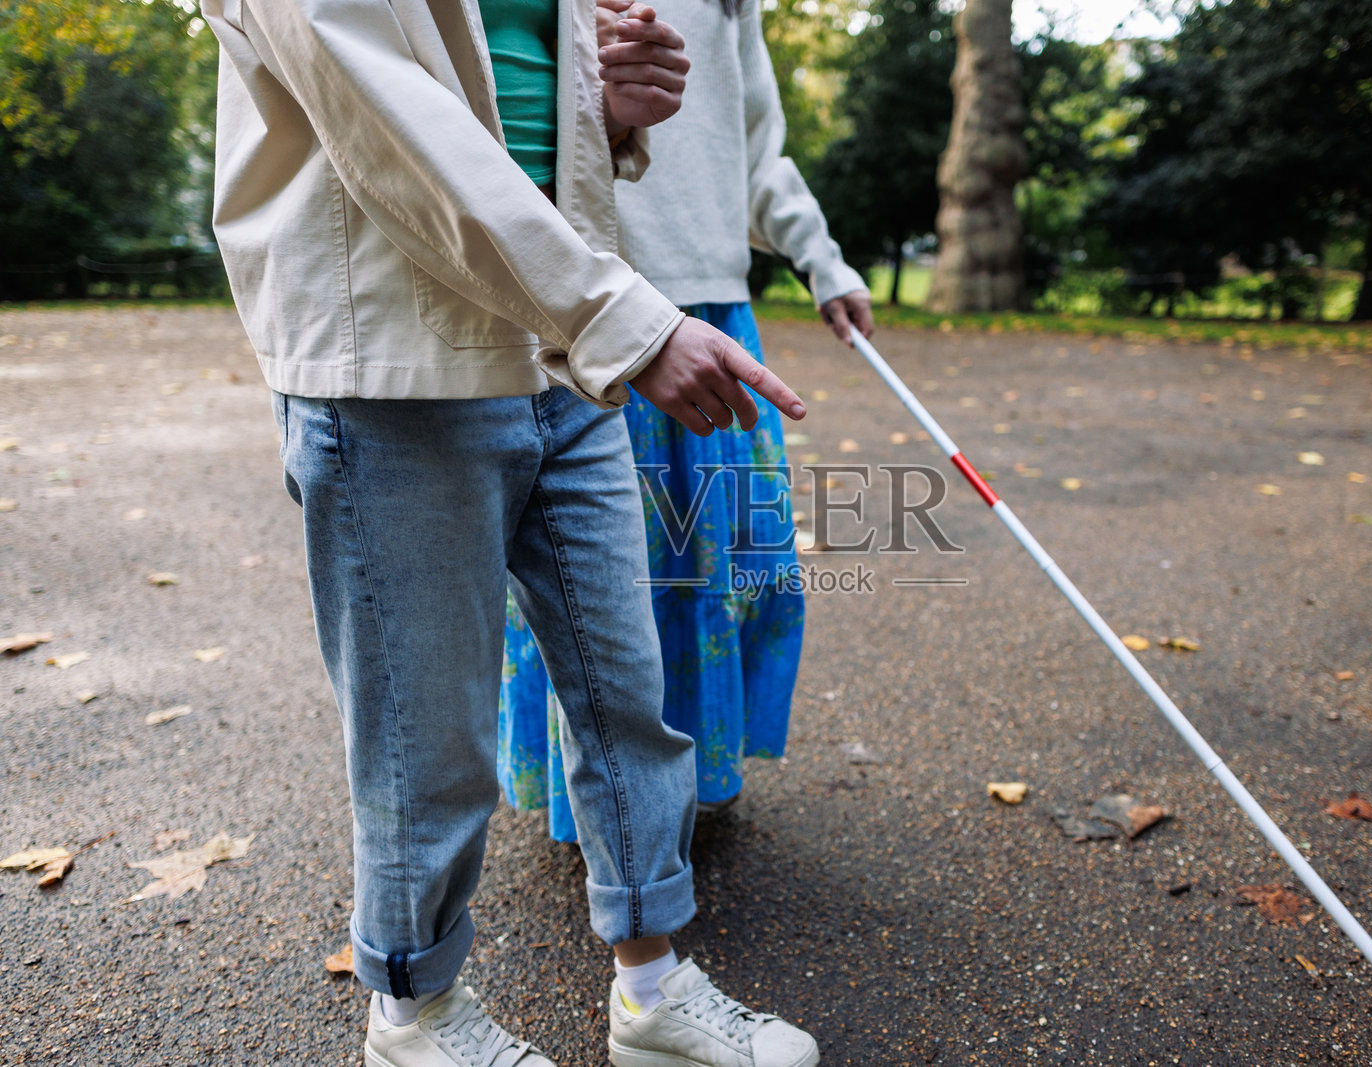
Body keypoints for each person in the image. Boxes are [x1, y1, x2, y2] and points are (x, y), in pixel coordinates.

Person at [200, 1, 821, 1064]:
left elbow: (515, 96)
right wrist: (617, 319)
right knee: (425, 734)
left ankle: (652, 987)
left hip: (557, 350)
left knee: (627, 692)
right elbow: (388, 122)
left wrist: (611, 112)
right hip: (395, 357)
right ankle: (414, 1011)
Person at [498, 0, 874, 840]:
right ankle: (603, 808)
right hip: (588, 306)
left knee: (728, 562)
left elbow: (754, 149)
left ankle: (701, 775)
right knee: (596, 581)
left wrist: (822, 260)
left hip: (717, 309)